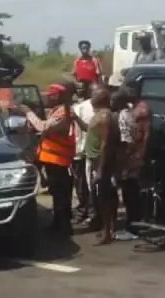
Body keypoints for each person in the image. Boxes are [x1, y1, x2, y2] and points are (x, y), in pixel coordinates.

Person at [16, 83, 84, 236]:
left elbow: (43, 126)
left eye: (50, 96)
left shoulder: (63, 113)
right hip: (54, 160)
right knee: (57, 194)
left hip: (60, 161)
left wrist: (28, 112)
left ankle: (64, 228)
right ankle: (57, 224)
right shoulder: (57, 111)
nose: (47, 98)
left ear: (57, 97)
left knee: (61, 196)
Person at [84, 88, 119, 244]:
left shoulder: (105, 116)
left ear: (102, 97)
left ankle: (107, 233)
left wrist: (100, 169)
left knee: (104, 197)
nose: (92, 97)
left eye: (95, 94)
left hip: (101, 160)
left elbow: (105, 144)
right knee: (104, 195)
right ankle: (108, 229)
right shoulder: (99, 115)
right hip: (96, 160)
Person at [113, 86, 147, 240]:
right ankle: (136, 224)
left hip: (130, 159)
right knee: (133, 192)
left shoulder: (124, 115)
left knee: (129, 193)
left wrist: (123, 161)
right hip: (137, 157)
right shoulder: (134, 111)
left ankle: (133, 227)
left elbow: (128, 141)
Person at [71, 83, 99, 224]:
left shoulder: (107, 108)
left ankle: (92, 211)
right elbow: (77, 133)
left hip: (96, 153)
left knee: (93, 184)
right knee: (81, 183)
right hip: (81, 151)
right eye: (95, 92)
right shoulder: (80, 108)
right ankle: (84, 209)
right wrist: (77, 151)